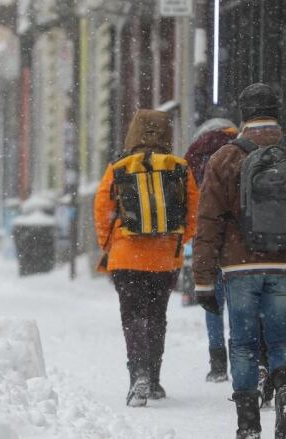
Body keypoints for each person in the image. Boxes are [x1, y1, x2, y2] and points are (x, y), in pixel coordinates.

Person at [193, 83, 286, 438]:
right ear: (279, 111)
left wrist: (203, 279)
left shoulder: (225, 157)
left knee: (242, 343)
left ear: (244, 115)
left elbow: (208, 220)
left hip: (240, 266)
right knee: (281, 340)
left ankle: (247, 423)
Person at [94, 109, 200, 407]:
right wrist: (179, 240)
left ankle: (137, 373)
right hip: (164, 258)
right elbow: (194, 209)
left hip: (127, 257)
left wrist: (110, 243)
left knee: (132, 315)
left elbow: (102, 208)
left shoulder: (118, 167)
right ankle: (153, 378)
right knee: (156, 315)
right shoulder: (179, 167)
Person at [184, 118, 239, 383]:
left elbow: (190, 197)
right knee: (241, 303)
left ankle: (217, 364)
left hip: (207, 236)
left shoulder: (196, 154)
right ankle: (242, 356)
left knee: (212, 302)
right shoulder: (243, 149)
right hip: (239, 241)